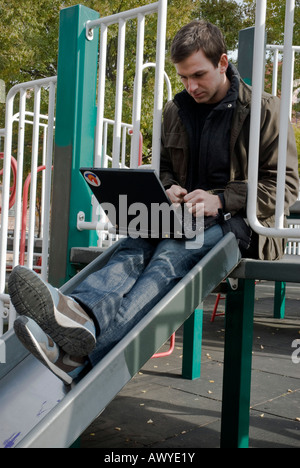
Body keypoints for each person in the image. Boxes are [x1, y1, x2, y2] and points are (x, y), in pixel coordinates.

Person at [9, 20, 299, 385]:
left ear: (223, 62)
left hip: (239, 224)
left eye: (199, 75)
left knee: (171, 255)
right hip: (182, 215)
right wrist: (169, 189)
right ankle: (79, 314)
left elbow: (285, 186)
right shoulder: (174, 112)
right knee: (135, 242)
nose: (191, 86)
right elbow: (163, 174)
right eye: (182, 78)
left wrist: (222, 198)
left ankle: (83, 353)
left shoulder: (266, 110)